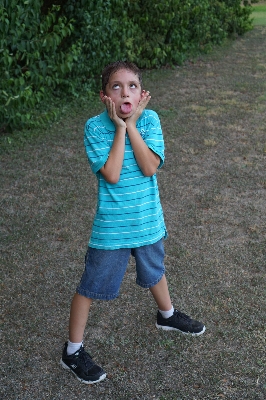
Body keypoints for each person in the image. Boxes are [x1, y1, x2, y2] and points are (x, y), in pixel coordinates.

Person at [60, 61, 205, 384]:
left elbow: (150, 166)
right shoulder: (95, 127)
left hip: (148, 220)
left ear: (142, 96)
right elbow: (111, 174)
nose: (125, 92)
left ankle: (166, 316)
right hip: (112, 228)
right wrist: (121, 128)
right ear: (104, 97)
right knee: (90, 287)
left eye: (132, 86)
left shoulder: (150, 120)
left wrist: (134, 125)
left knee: (155, 269)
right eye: (116, 86)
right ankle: (72, 350)